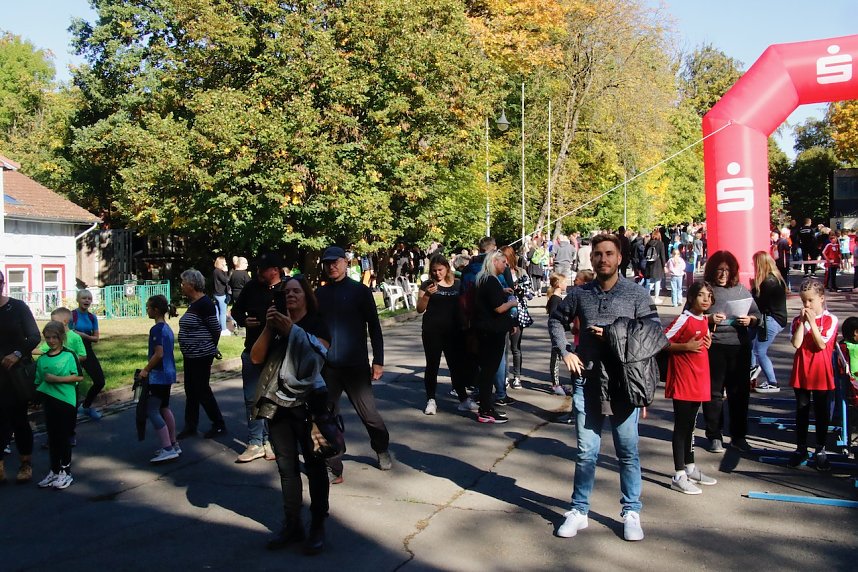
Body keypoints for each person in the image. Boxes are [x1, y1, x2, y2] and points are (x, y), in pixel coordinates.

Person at [549, 234, 658, 542]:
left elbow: (653, 332)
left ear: (619, 258)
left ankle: (631, 511)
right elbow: (556, 320)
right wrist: (565, 351)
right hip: (588, 381)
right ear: (592, 258)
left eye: (609, 253)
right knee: (586, 451)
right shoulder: (580, 293)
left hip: (624, 383)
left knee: (627, 451)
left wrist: (613, 332)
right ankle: (579, 510)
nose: (603, 259)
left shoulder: (636, 294)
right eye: (598, 254)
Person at [250, 276, 331, 555]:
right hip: (277, 405)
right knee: (286, 468)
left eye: (296, 291)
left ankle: (318, 524)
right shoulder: (274, 324)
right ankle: (293, 524)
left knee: (315, 466)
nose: (291, 295)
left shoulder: (316, 323)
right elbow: (256, 358)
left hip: (309, 405)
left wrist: (292, 331)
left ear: (306, 295)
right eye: (286, 292)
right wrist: (268, 327)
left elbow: (319, 356)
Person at [316, 246, 391, 480]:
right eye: (327, 263)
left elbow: (374, 327)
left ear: (345, 263)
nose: (332, 267)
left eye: (335, 262)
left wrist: (378, 360)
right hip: (328, 368)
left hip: (355, 366)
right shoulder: (319, 294)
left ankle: (381, 448)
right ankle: (333, 463)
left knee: (370, 415)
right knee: (326, 417)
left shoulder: (360, 291)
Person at [702, 251, 761, 453]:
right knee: (714, 393)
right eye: (720, 270)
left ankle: (738, 436)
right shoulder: (705, 290)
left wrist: (750, 320)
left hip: (739, 346)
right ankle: (714, 435)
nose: (723, 274)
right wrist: (709, 319)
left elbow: (757, 315)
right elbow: (689, 315)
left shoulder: (741, 290)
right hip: (714, 347)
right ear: (712, 270)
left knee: (739, 393)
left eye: (727, 270)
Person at [664, 282, 717, 495]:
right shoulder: (684, 319)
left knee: (691, 426)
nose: (706, 299)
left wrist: (707, 344)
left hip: (699, 380)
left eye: (709, 296)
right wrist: (685, 347)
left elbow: (702, 343)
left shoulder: (704, 320)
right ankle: (679, 474)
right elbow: (661, 341)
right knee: (681, 427)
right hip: (683, 381)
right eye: (701, 295)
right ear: (692, 297)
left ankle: (690, 467)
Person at [231, 253, 284, 463]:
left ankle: (271, 440)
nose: (258, 273)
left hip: (277, 352)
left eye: (263, 270)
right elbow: (236, 311)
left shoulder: (286, 289)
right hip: (252, 350)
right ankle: (255, 442)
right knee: (251, 398)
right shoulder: (252, 287)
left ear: (275, 270)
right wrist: (244, 320)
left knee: (273, 398)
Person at [788, 279, 838, 470]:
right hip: (802, 369)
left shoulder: (830, 319)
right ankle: (801, 448)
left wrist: (812, 323)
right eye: (804, 301)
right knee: (802, 409)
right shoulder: (797, 321)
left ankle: (820, 449)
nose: (807, 305)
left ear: (821, 298)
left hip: (820, 371)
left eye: (810, 300)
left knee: (821, 411)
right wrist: (803, 323)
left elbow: (822, 344)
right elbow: (796, 343)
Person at [416, 254, 471, 415]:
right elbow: (419, 308)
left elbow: (465, 305)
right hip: (432, 331)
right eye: (434, 271)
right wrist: (427, 295)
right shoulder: (427, 284)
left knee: (456, 366)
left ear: (447, 268)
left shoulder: (457, 284)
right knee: (432, 365)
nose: (437, 273)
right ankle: (431, 400)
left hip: (454, 331)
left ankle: (463, 399)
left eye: (440, 270)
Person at [0, 270, 41, 484]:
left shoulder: (17, 307)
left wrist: (17, 353)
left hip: (15, 375)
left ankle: (25, 464)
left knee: (19, 420)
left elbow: (34, 336)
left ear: (2, 284)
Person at [177, 269, 226, 439]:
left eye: (183, 283)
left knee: (202, 390)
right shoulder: (194, 303)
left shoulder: (205, 304)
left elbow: (215, 329)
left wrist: (211, 348)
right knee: (191, 390)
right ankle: (190, 425)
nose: (181, 286)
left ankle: (218, 424)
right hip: (190, 355)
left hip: (201, 355)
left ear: (191, 285)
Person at [35, 321, 83, 490]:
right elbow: (38, 380)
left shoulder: (69, 355)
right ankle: (54, 470)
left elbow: (78, 377)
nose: (51, 341)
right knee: (53, 438)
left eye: (54, 337)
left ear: (61, 337)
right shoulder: (42, 359)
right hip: (49, 401)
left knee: (63, 437)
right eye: (48, 338)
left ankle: (65, 471)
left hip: (65, 401)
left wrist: (57, 379)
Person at [473, 251, 518, 424]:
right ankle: (485, 410)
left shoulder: (483, 279)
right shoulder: (490, 280)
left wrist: (502, 291)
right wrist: (512, 302)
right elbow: (498, 308)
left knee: (487, 370)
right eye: (503, 262)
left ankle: (486, 406)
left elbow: (489, 300)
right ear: (494, 261)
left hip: (485, 329)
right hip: (492, 331)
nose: (506, 265)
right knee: (489, 371)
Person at [141, 295, 180, 463]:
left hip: (158, 375)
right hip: (169, 373)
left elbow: (159, 353)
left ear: (155, 310)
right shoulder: (167, 328)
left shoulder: (156, 329)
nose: (147, 310)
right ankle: (173, 443)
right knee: (164, 407)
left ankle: (167, 448)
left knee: (152, 410)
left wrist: (146, 369)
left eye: (148, 308)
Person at [750, 251, 788, 393]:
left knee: (759, 351)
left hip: (771, 319)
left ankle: (772, 382)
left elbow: (759, 303)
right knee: (750, 338)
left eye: (755, 263)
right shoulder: (775, 279)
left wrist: (753, 289)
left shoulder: (768, 282)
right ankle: (752, 368)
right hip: (774, 318)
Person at [502, 245, 533, 390]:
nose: (504, 261)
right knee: (504, 348)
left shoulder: (521, 272)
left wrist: (520, 289)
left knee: (515, 347)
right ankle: (504, 376)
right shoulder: (498, 273)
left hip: (518, 312)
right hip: (503, 311)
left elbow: (530, 293)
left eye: (505, 258)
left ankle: (517, 376)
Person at [72, 289, 106, 420]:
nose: (87, 301)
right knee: (73, 383)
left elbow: (96, 338)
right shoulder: (72, 315)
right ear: (78, 299)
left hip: (87, 350)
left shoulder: (92, 317)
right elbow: (66, 333)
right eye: (84, 298)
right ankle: (71, 413)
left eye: (89, 298)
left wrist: (82, 335)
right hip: (73, 351)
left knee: (100, 381)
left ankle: (85, 406)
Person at [546, 273, 569, 397]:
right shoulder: (555, 299)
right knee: (555, 357)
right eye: (564, 282)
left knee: (557, 356)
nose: (566, 284)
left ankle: (557, 382)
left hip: (560, 330)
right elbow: (554, 316)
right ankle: (555, 384)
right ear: (558, 284)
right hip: (556, 331)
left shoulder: (558, 298)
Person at [642, 229, 667, 303]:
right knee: (657, 281)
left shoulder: (648, 243)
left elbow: (645, 254)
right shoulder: (660, 244)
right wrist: (664, 265)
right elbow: (662, 255)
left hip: (649, 264)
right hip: (658, 264)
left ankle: (646, 296)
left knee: (651, 282)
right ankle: (656, 298)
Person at [213, 256, 231, 336]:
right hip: (221, 294)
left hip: (216, 293)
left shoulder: (215, 271)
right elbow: (226, 280)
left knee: (217, 312)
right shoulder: (219, 271)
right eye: (224, 262)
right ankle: (223, 329)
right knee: (223, 313)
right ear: (221, 263)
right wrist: (226, 272)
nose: (225, 263)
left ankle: (216, 328)